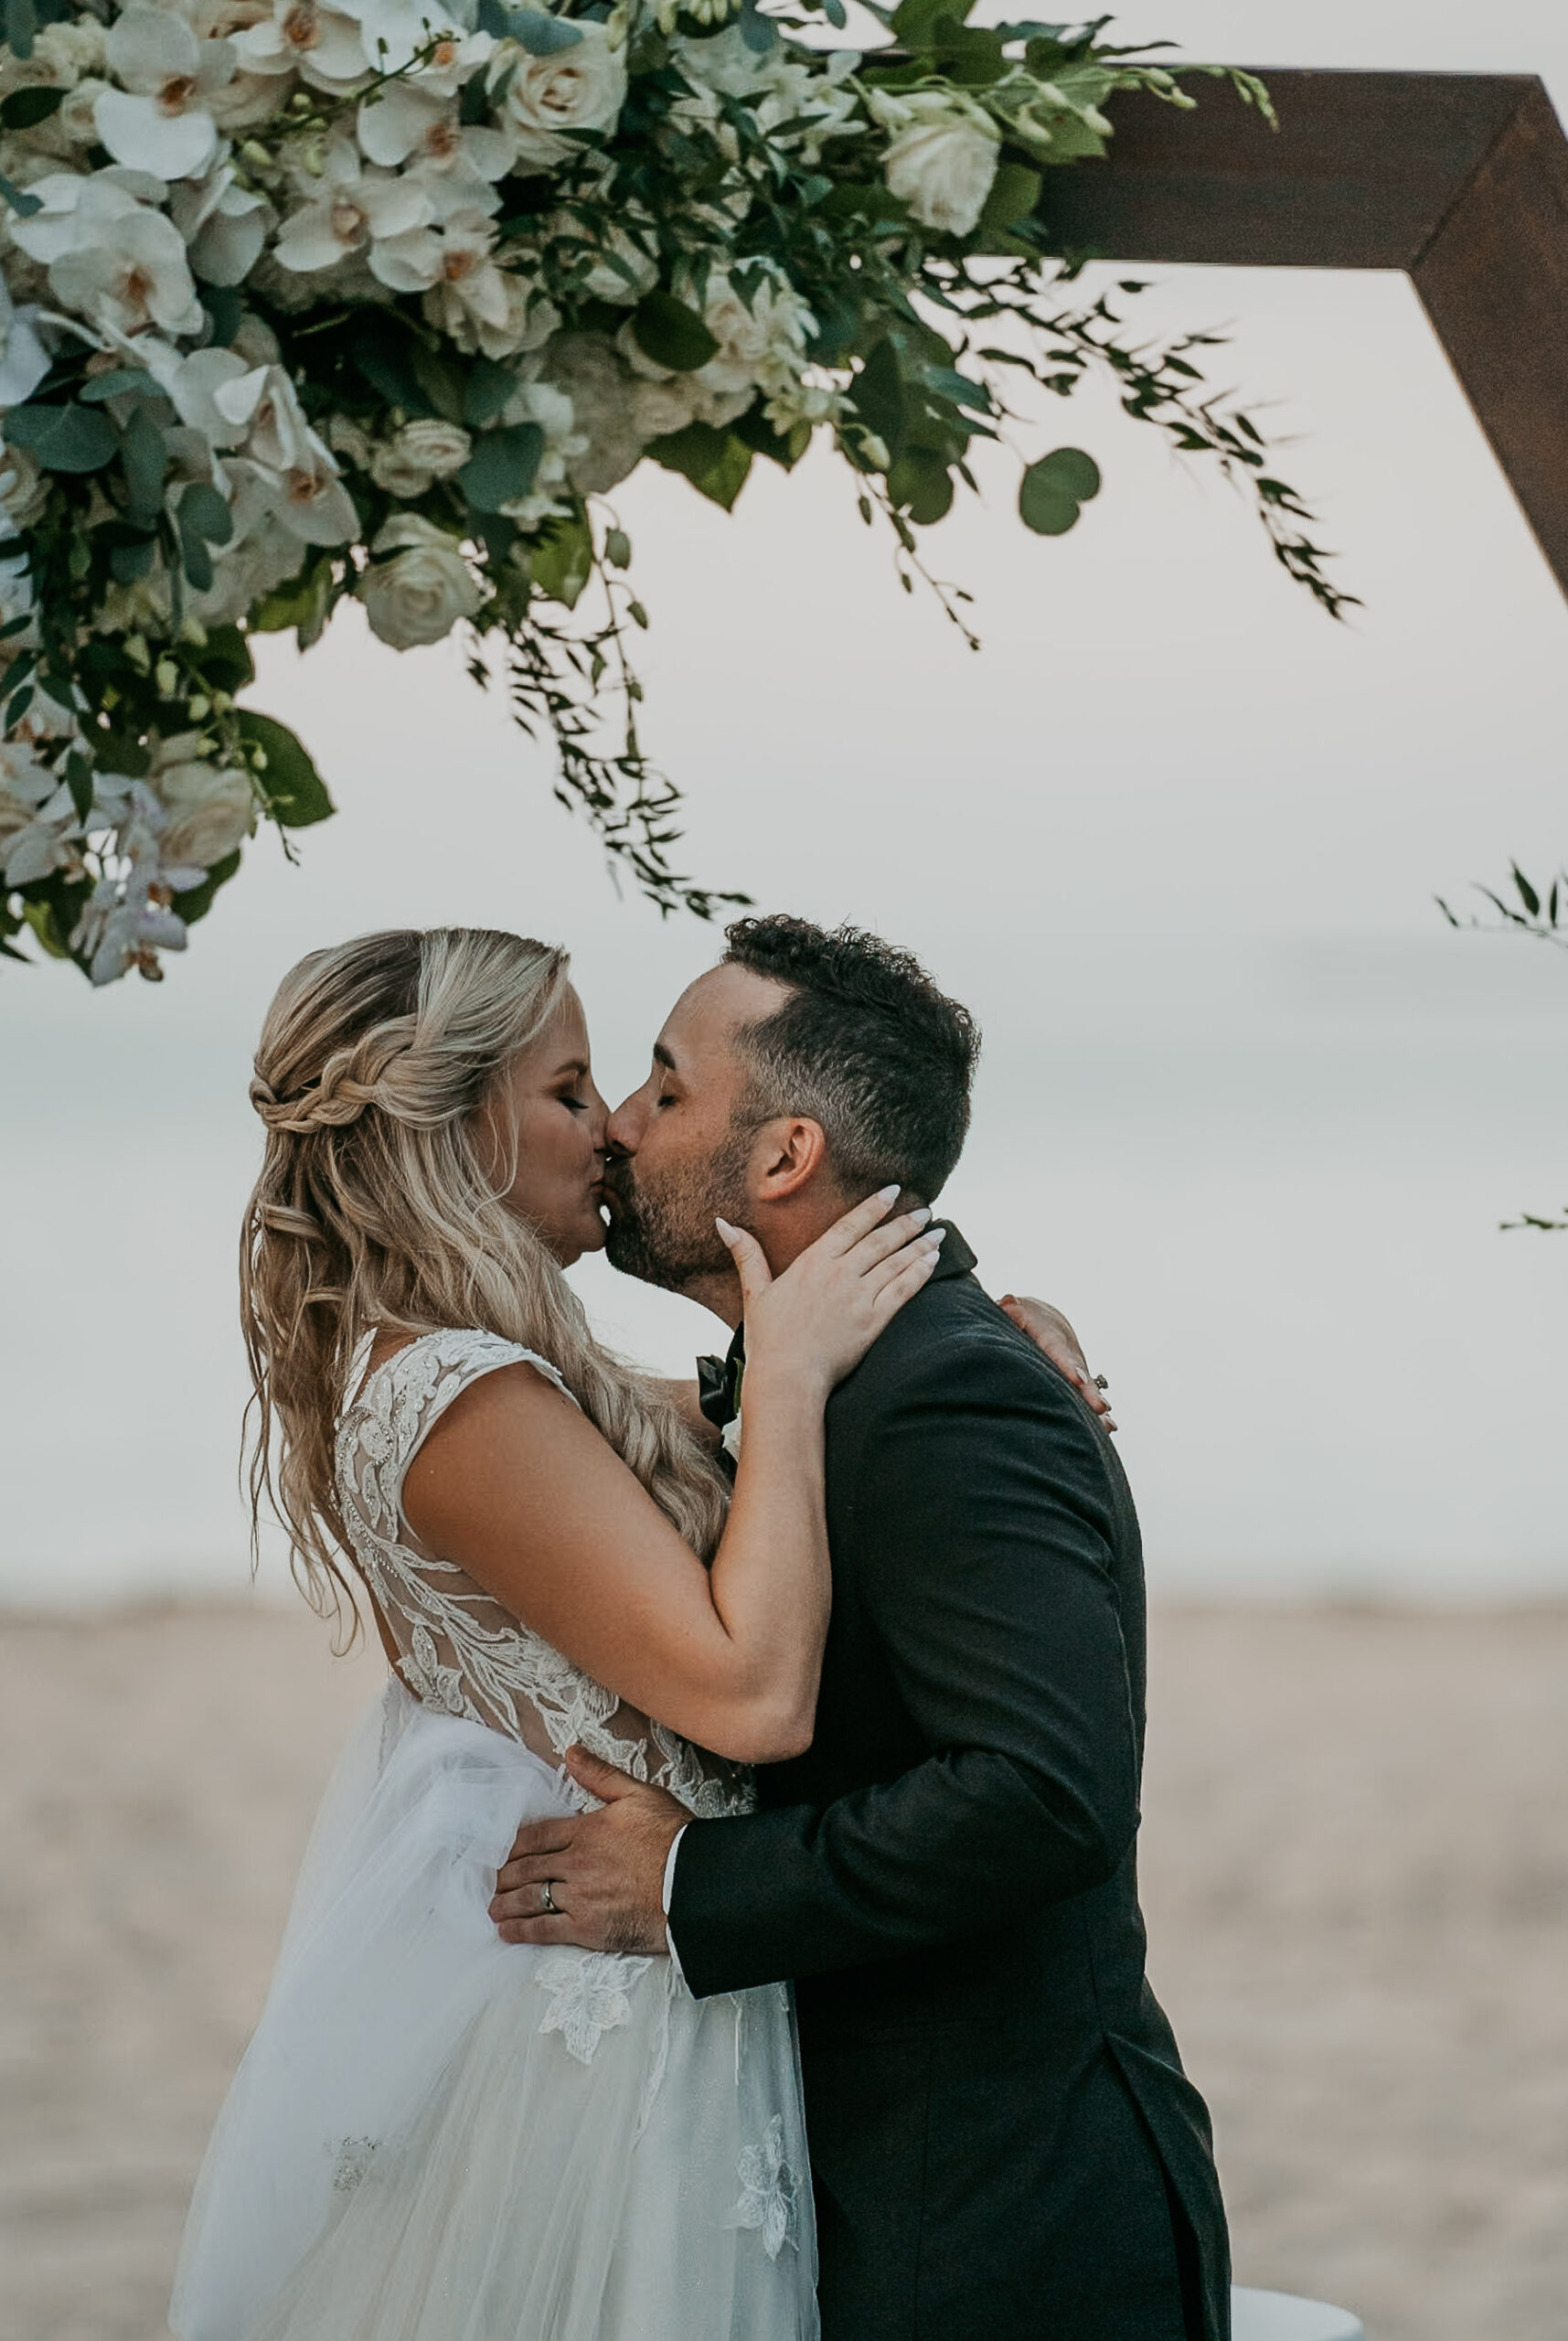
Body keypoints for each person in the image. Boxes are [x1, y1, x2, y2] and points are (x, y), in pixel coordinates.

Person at [170, 920, 1083, 2341]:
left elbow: (688, 1426)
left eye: (628, 1084)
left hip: (653, 1991)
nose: (607, 1129)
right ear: (457, 1129)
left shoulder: (517, 1374)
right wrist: (786, 1375)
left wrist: (975, 1339)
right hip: (602, 2021)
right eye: (571, 1088)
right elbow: (755, 1700)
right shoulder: (458, 1398)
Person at [489, 914, 1230, 2341]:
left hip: (996, 2220)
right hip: (861, 2185)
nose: (624, 1128)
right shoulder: (844, 1383)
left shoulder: (955, 1397)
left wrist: (689, 1886)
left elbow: (1043, 1791)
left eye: (664, 1084)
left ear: (784, 1157)